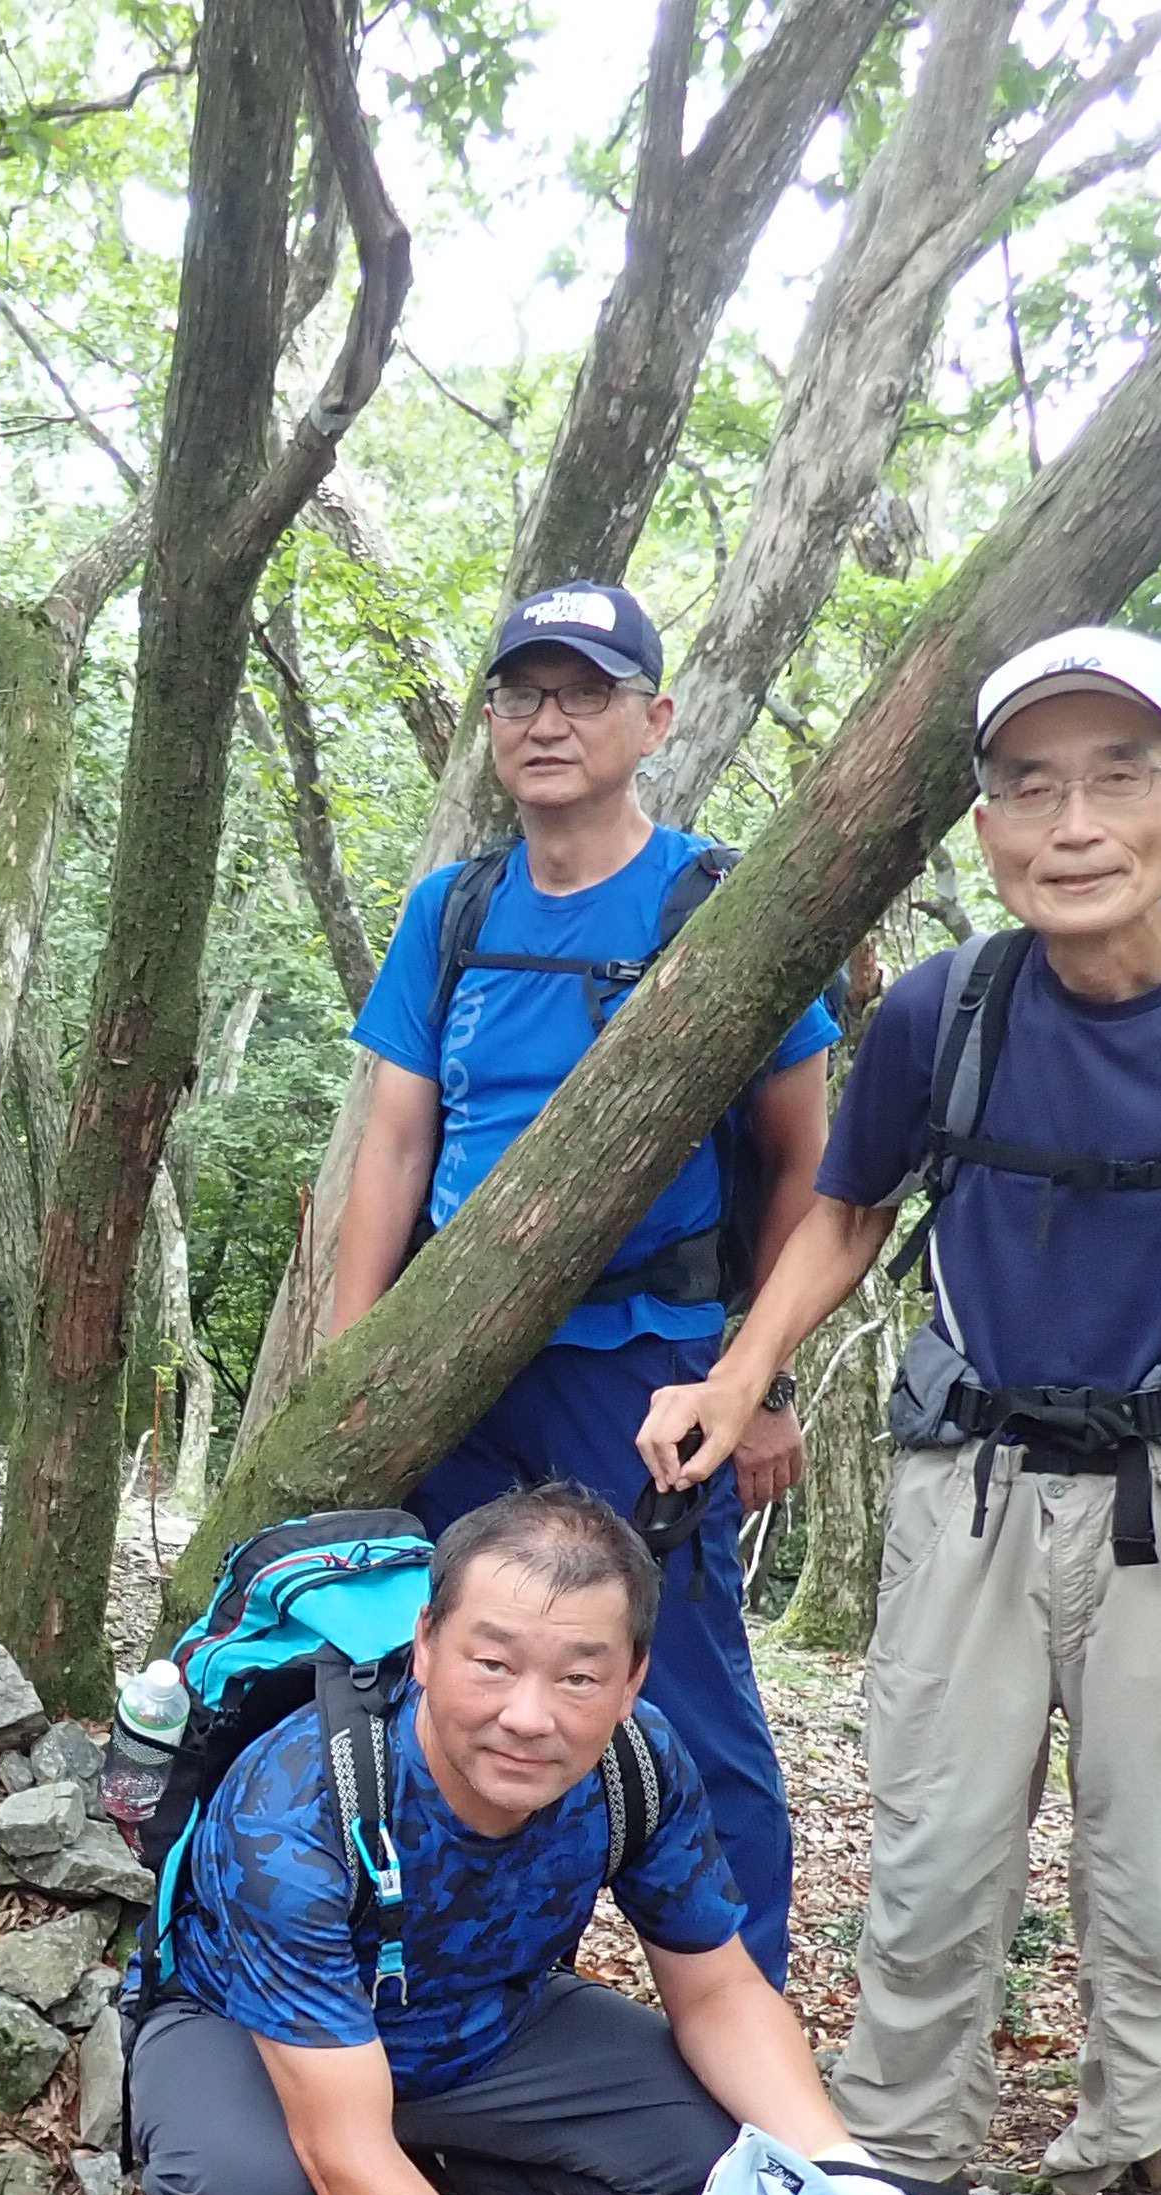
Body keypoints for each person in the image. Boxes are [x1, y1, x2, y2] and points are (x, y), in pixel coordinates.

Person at [636, 625, 1161, 2195]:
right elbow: (842, 1210)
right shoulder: (946, 1006)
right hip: (966, 1483)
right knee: (928, 1834)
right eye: (1030, 785)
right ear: (984, 824)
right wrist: (735, 1377)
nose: (1073, 822)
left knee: (1160, 1855)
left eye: (1120, 776)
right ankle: (895, 2167)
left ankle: (1143, 2175)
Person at [118, 1487, 909, 2195]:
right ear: (426, 1648)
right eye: (492, 1664)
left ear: (631, 1681)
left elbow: (720, 1987)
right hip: (255, 2037)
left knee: (726, 2153)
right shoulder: (295, 1808)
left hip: (484, 2022)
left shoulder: (638, 1762)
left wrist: (836, 2169)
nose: (531, 1716)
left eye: (579, 1676)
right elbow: (343, 2144)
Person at [322, 579, 835, 1989]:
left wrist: (759, 1381)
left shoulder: (719, 908)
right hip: (460, 1364)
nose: (548, 722)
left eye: (586, 692)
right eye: (521, 694)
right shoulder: (455, 908)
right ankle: (440, 1992)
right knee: (443, 1675)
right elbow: (399, 1137)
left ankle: (748, 2037)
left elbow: (808, 1169)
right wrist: (356, 1363)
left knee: (687, 1696)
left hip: (648, 1368)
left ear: (653, 718)